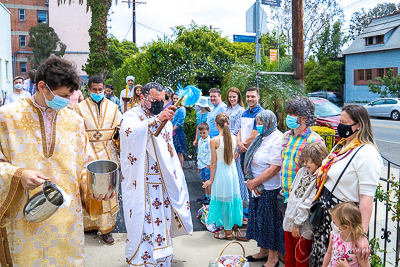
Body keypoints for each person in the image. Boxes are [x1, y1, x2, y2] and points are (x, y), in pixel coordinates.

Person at [0, 56, 113, 266]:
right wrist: (18, 174)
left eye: (70, 96)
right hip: (24, 214)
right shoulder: (7, 117)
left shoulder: (75, 121)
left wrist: (97, 187)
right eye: (62, 95)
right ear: (42, 86)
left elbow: (85, 165)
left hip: (67, 216)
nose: (67, 101)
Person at [120, 82, 193, 266]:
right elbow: (128, 132)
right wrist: (156, 120)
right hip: (142, 185)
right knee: (143, 224)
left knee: (163, 222)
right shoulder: (132, 115)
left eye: (162, 100)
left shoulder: (164, 116)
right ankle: (141, 261)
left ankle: (162, 260)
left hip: (162, 184)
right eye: (155, 101)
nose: (159, 105)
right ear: (142, 98)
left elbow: (168, 151)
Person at [312, 105, 383, 267]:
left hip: (345, 224)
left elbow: (366, 197)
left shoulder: (367, 153)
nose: (340, 125)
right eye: (340, 121)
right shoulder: (342, 146)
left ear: (359, 125)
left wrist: (361, 234)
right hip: (329, 219)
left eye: (344, 122)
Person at [74, 76, 122, 244]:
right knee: (89, 190)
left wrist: (119, 140)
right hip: (88, 155)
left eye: (100, 90)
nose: (98, 93)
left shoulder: (114, 107)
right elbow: (75, 133)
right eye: (94, 90)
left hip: (109, 155)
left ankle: (106, 229)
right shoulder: (78, 108)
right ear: (88, 89)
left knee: (107, 193)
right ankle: (89, 224)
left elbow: (119, 131)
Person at [243, 110, 284, 267]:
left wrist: (256, 182)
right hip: (256, 186)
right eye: (257, 123)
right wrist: (251, 181)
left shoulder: (277, 138)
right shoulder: (262, 137)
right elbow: (249, 160)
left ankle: (273, 258)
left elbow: (275, 168)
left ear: (268, 123)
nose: (258, 126)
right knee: (259, 221)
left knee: (270, 223)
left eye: (261, 124)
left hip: (270, 188)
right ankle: (263, 251)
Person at [283, 142, 329, 267]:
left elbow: (308, 203)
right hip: (289, 222)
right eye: (306, 160)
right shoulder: (302, 171)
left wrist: (297, 223)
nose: (307, 164)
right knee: (289, 258)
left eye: (311, 161)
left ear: (320, 160)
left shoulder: (319, 177)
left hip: (302, 227)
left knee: (301, 260)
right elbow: (293, 192)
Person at [280, 96, 324, 213]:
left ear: (304, 117)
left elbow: (318, 173)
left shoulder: (315, 141)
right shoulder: (285, 136)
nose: (289, 117)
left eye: (293, 114)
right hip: (283, 196)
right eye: (289, 113)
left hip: (300, 199)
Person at [203, 113, 243, 240]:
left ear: (216, 124)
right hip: (232, 172)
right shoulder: (234, 138)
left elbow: (213, 163)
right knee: (230, 201)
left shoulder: (214, 141)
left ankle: (227, 232)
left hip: (221, 174)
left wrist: (210, 179)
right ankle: (230, 228)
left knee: (223, 201)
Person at [322, 202, 371, 267]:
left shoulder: (358, 247)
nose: (333, 224)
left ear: (345, 227)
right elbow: (328, 253)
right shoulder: (334, 235)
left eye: (334, 222)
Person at [225, 87, 248, 203]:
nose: (232, 99)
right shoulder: (227, 109)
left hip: (234, 143)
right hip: (225, 142)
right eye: (230, 97)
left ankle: (241, 198)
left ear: (238, 97)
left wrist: (236, 149)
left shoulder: (241, 110)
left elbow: (238, 129)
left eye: (234, 96)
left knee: (237, 172)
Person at [197, 122, 211, 204]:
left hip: (206, 165)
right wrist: (198, 164)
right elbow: (199, 153)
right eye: (200, 133)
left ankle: (210, 197)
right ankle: (206, 196)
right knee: (204, 181)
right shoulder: (200, 140)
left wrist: (208, 164)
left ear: (208, 131)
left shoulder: (209, 141)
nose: (202, 134)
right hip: (201, 164)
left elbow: (210, 153)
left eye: (204, 133)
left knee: (208, 181)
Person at [172, 94, 187, 167]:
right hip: (171, 131)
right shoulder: (173, 108)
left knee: (179, 152)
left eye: (177, 98)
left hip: (177, 132)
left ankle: (180, 169)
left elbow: (179, 122)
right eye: (174, 98)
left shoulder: (182, 109)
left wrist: (171, 130)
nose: (175, 100)